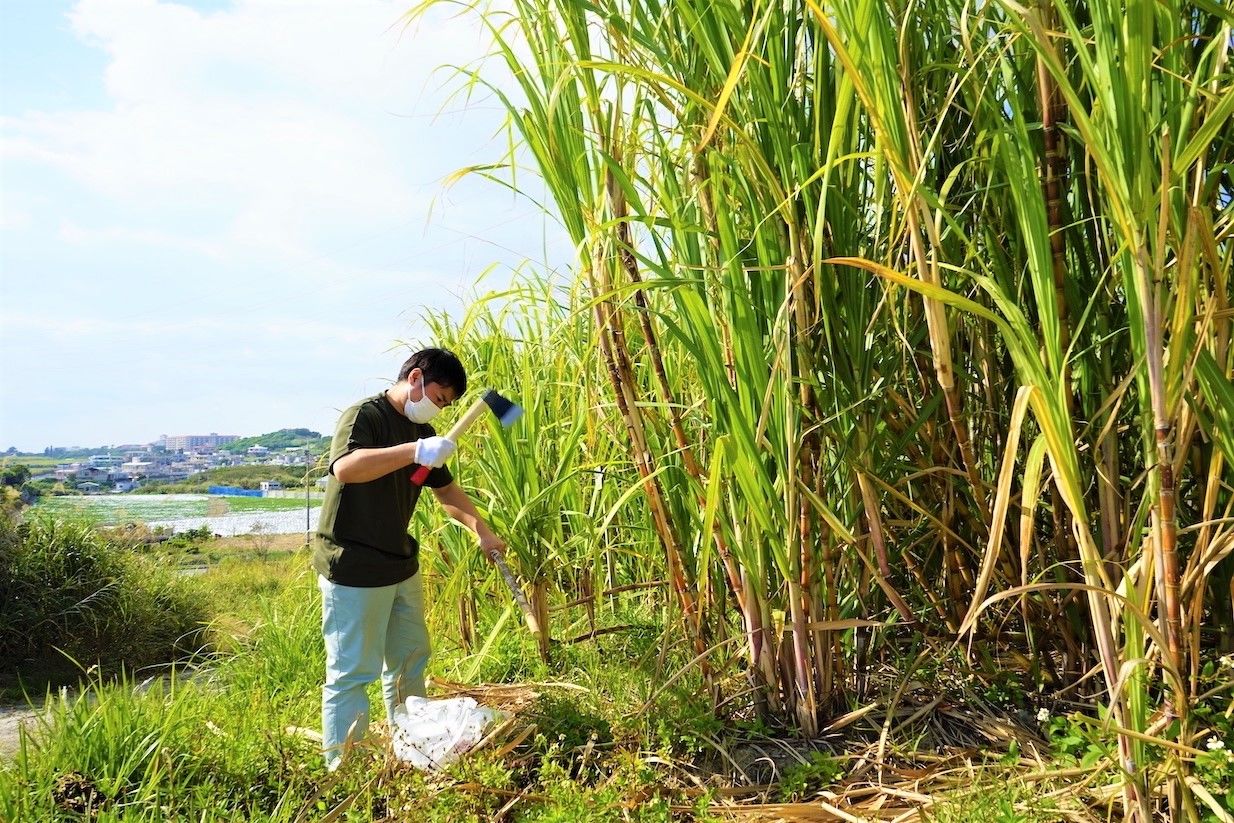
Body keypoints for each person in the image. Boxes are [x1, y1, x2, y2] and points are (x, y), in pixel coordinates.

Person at [312, 347, 506, 770]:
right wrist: (413, 452)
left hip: (399, 563)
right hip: (354, 566)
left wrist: (482, 531)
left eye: (447, 405)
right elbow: (347, 468)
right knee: (352, 673)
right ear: (415, 378)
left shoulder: (426, 435)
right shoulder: (366, 415)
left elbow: (447, 492)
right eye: (439, 397)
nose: (439, 408)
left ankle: (410, 746)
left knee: (409, 661)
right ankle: (344, 769)